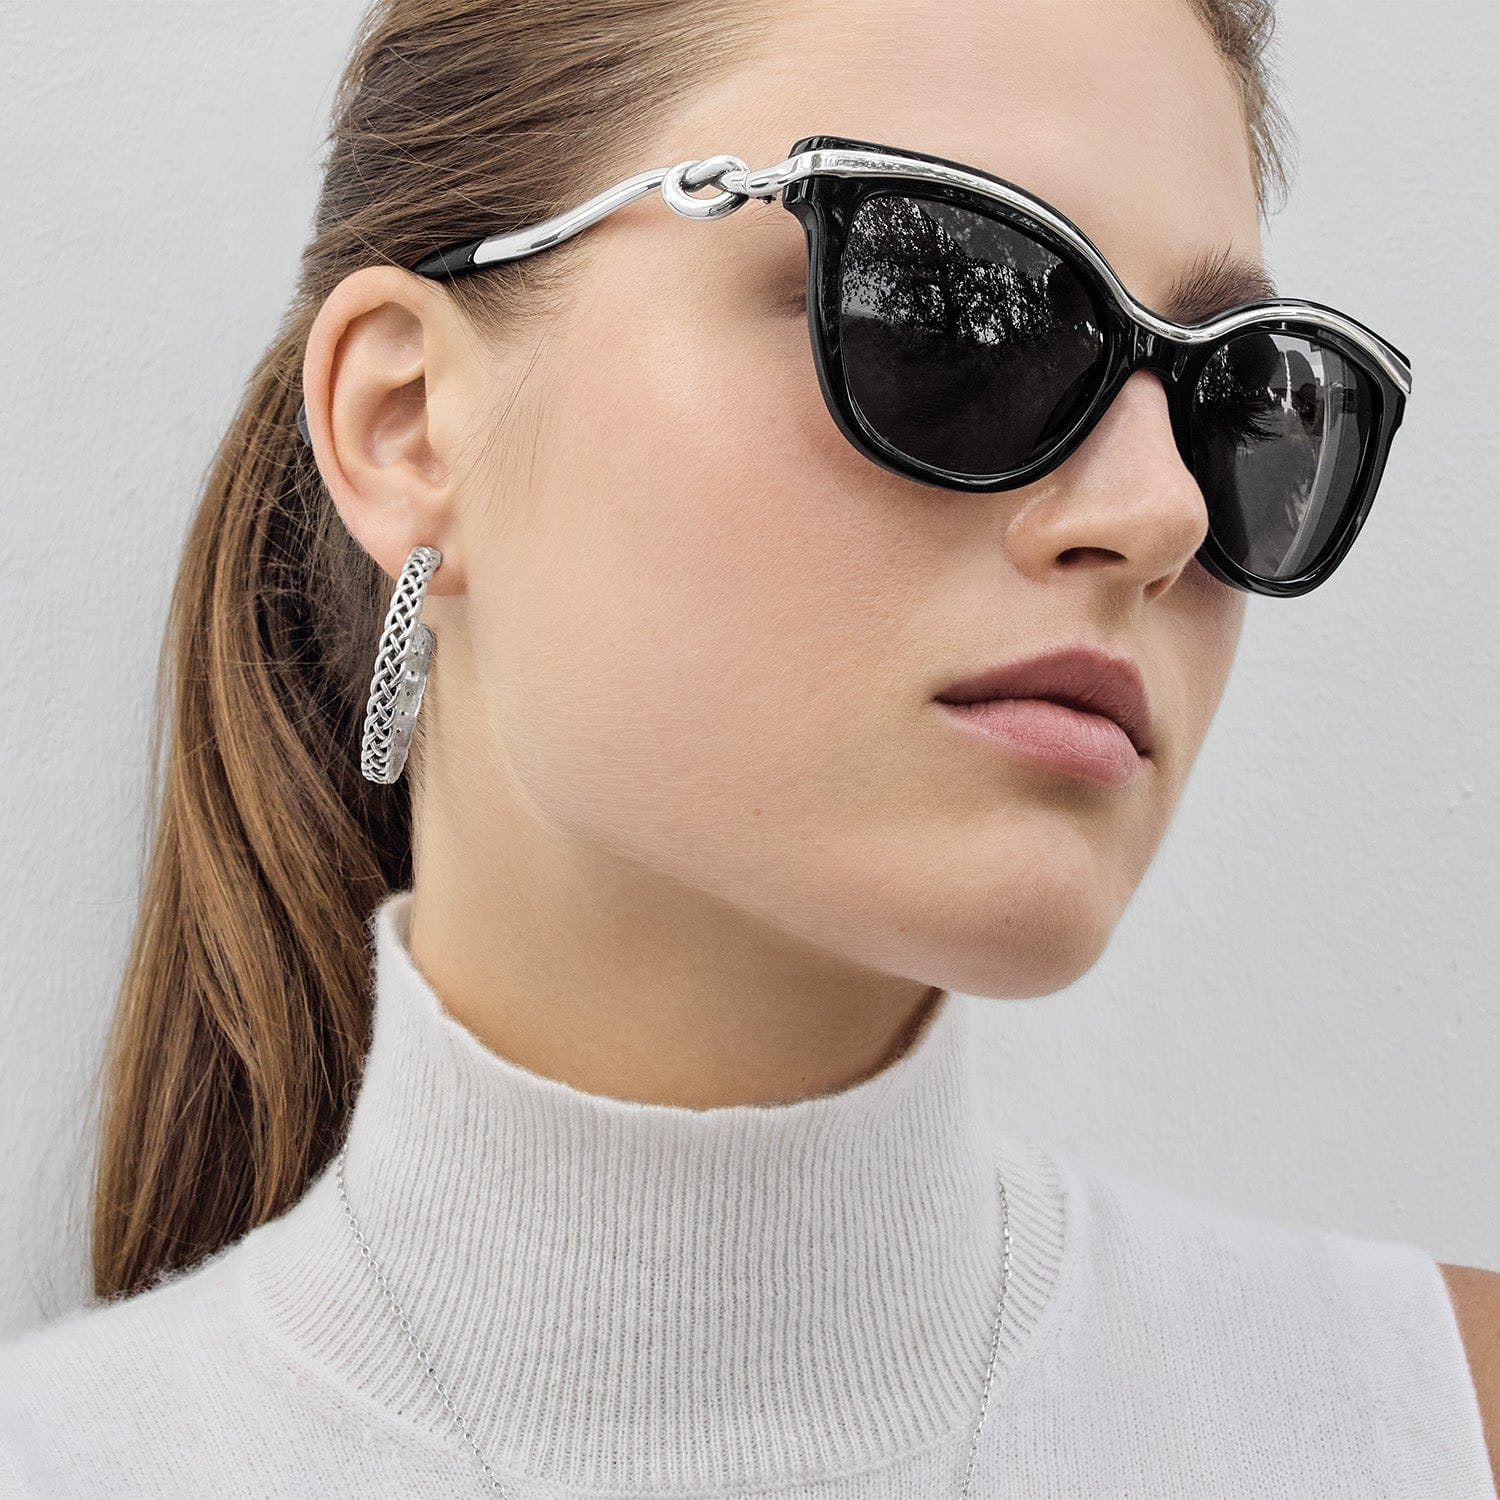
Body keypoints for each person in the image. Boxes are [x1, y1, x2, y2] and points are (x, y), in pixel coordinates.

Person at [1, 0, 1495, 1493]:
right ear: (409, 424)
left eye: (1243, 404)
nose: (1163, 511)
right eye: (944, 301)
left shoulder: (1445, 1427)